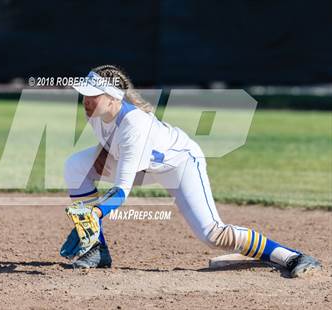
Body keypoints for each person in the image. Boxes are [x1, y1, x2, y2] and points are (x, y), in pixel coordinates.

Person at [60, 64, 321, 277]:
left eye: (93, 94)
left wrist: (93, 213)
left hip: (179, 164)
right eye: (85, 93)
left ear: (113, 97)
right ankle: (96, 250)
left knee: (213, 235)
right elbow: (110, 145)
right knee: (76, 166)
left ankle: (290, 256)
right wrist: (91, 216)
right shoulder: (96, 113)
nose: (86, 99)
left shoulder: (135, 125)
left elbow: (121, 191)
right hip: (145, 164)